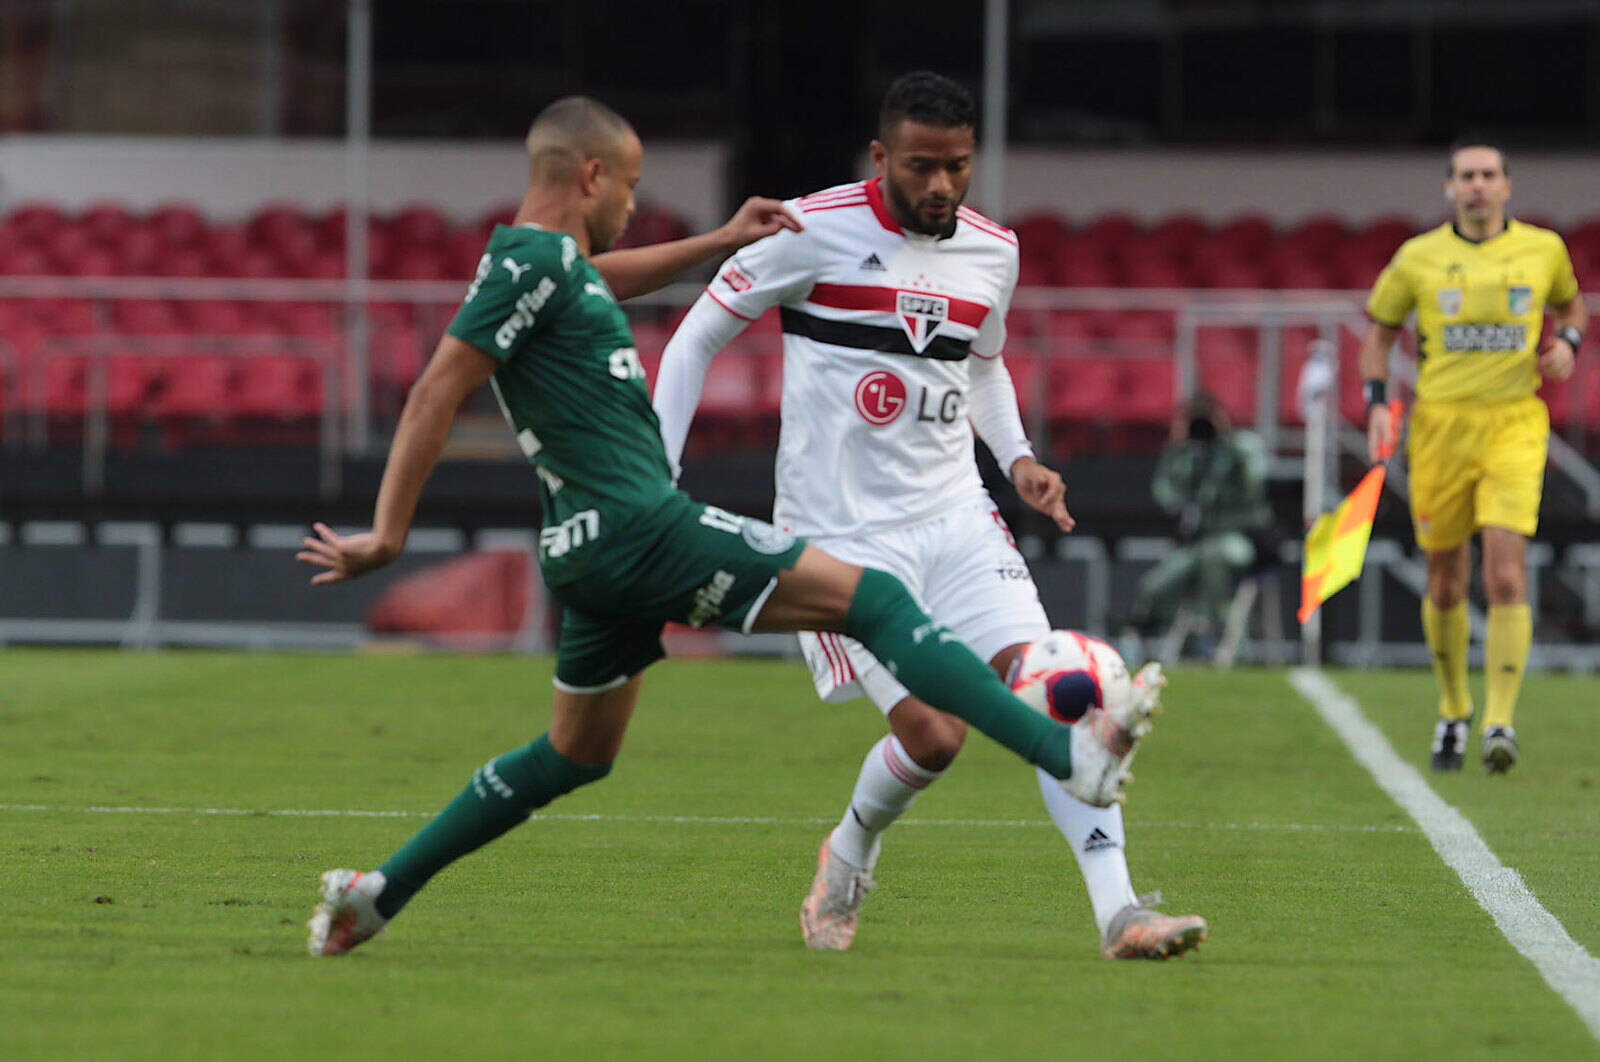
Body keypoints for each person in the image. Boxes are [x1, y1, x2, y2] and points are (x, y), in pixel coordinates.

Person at [296, 96, 1159, 957]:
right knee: (880, 605)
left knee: (575, 755)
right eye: (628, 189)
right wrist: (388, 534)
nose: (632, 209)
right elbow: (433, 394)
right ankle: (1065, 750)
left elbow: (610, 276)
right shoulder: (529, 264)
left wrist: (717, 242)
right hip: (644, 526)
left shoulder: (551, 266)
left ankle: (375, 896)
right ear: (590, 175)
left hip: (583, 550)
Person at [653, 71, 1204, 960]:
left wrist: (1017, 458)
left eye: (957, 167)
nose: (941, 186)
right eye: (920, 167)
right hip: (840, 540)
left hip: (956, 517)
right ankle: (850, 850)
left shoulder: (994, 251)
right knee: (935, 736)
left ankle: (1120, 912)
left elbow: (981, 365)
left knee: (1054, 694)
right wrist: (658, 468)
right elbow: (697, 334)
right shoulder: (811, 229)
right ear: (881, 158)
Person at [1359, 135, 1586, 774]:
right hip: (1439, 430)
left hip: (1514, 424)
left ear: (1508, 185)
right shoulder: (1418, 258)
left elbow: (1574, 304)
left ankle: (1500, 721)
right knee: (1445, 580)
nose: (1478, 185)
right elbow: (1377, 338)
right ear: (1450, 188)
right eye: (1467, 175)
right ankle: (1455, 707)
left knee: (1506, 575)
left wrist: (1567, 339)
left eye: (1489, 174)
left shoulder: (1543, 250)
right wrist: (1377, 399)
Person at [1126, 394, 1273, 647]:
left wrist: (1224, 440)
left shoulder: (1242, 446)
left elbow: (1255, 482)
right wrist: (1177, 448)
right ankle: (1163, 638)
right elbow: (1166, 495)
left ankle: (1230, 641)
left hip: (1242, 540)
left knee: (1213, 557)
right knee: (1154, 586)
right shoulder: (1191, 456)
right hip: (1202, 543)